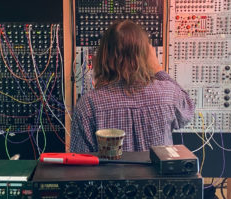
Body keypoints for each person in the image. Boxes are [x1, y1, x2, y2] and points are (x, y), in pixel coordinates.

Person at [70, 20, 194, 152]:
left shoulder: (88, 104)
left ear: (103, 56)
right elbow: (188, 110)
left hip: (110, 174)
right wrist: (158, 69)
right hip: (158, 173)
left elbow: (79, 163)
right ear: (147, 55)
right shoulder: (168, 94)